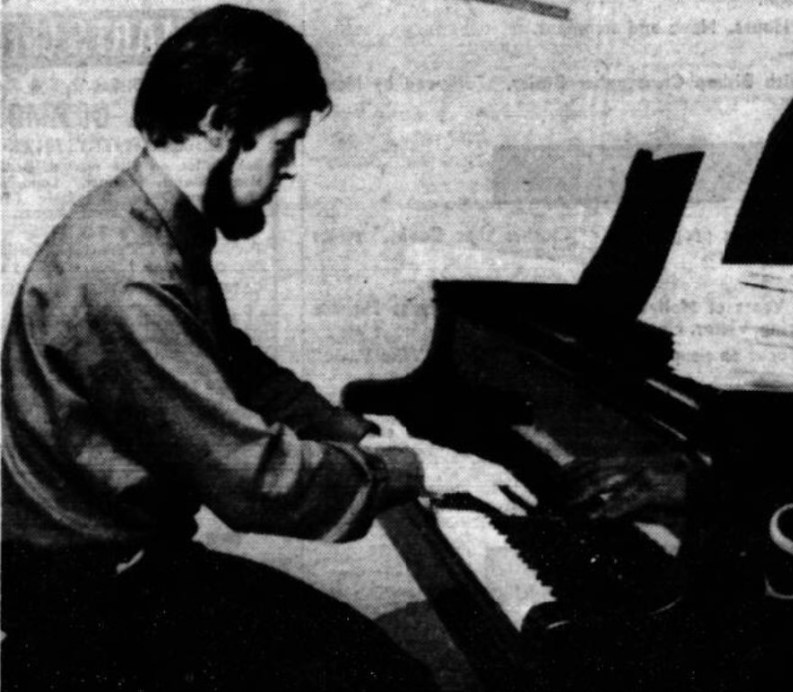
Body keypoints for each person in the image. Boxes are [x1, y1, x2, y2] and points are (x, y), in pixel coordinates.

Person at [0, 5, 534, 690]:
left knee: (377, 668)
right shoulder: (127, 275)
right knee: (387, 682)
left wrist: (359, 436)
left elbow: (236, 365)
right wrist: (415, 469)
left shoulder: (145, 228)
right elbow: (257, 482)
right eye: (285, 144)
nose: (289, 170)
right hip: (89, 604)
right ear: (220, 124)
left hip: (121, 569)